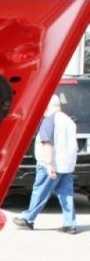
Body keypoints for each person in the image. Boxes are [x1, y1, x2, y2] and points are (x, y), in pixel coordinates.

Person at [14, 94, 79, 234]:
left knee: (40, 191)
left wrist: (48, 164)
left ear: (46, 106)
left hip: (51, 165)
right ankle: (70, 224)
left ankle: (28, 219)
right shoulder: (69, 121)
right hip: (66, 165)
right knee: (66, 194)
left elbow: (47, 143)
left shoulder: (50, 120)